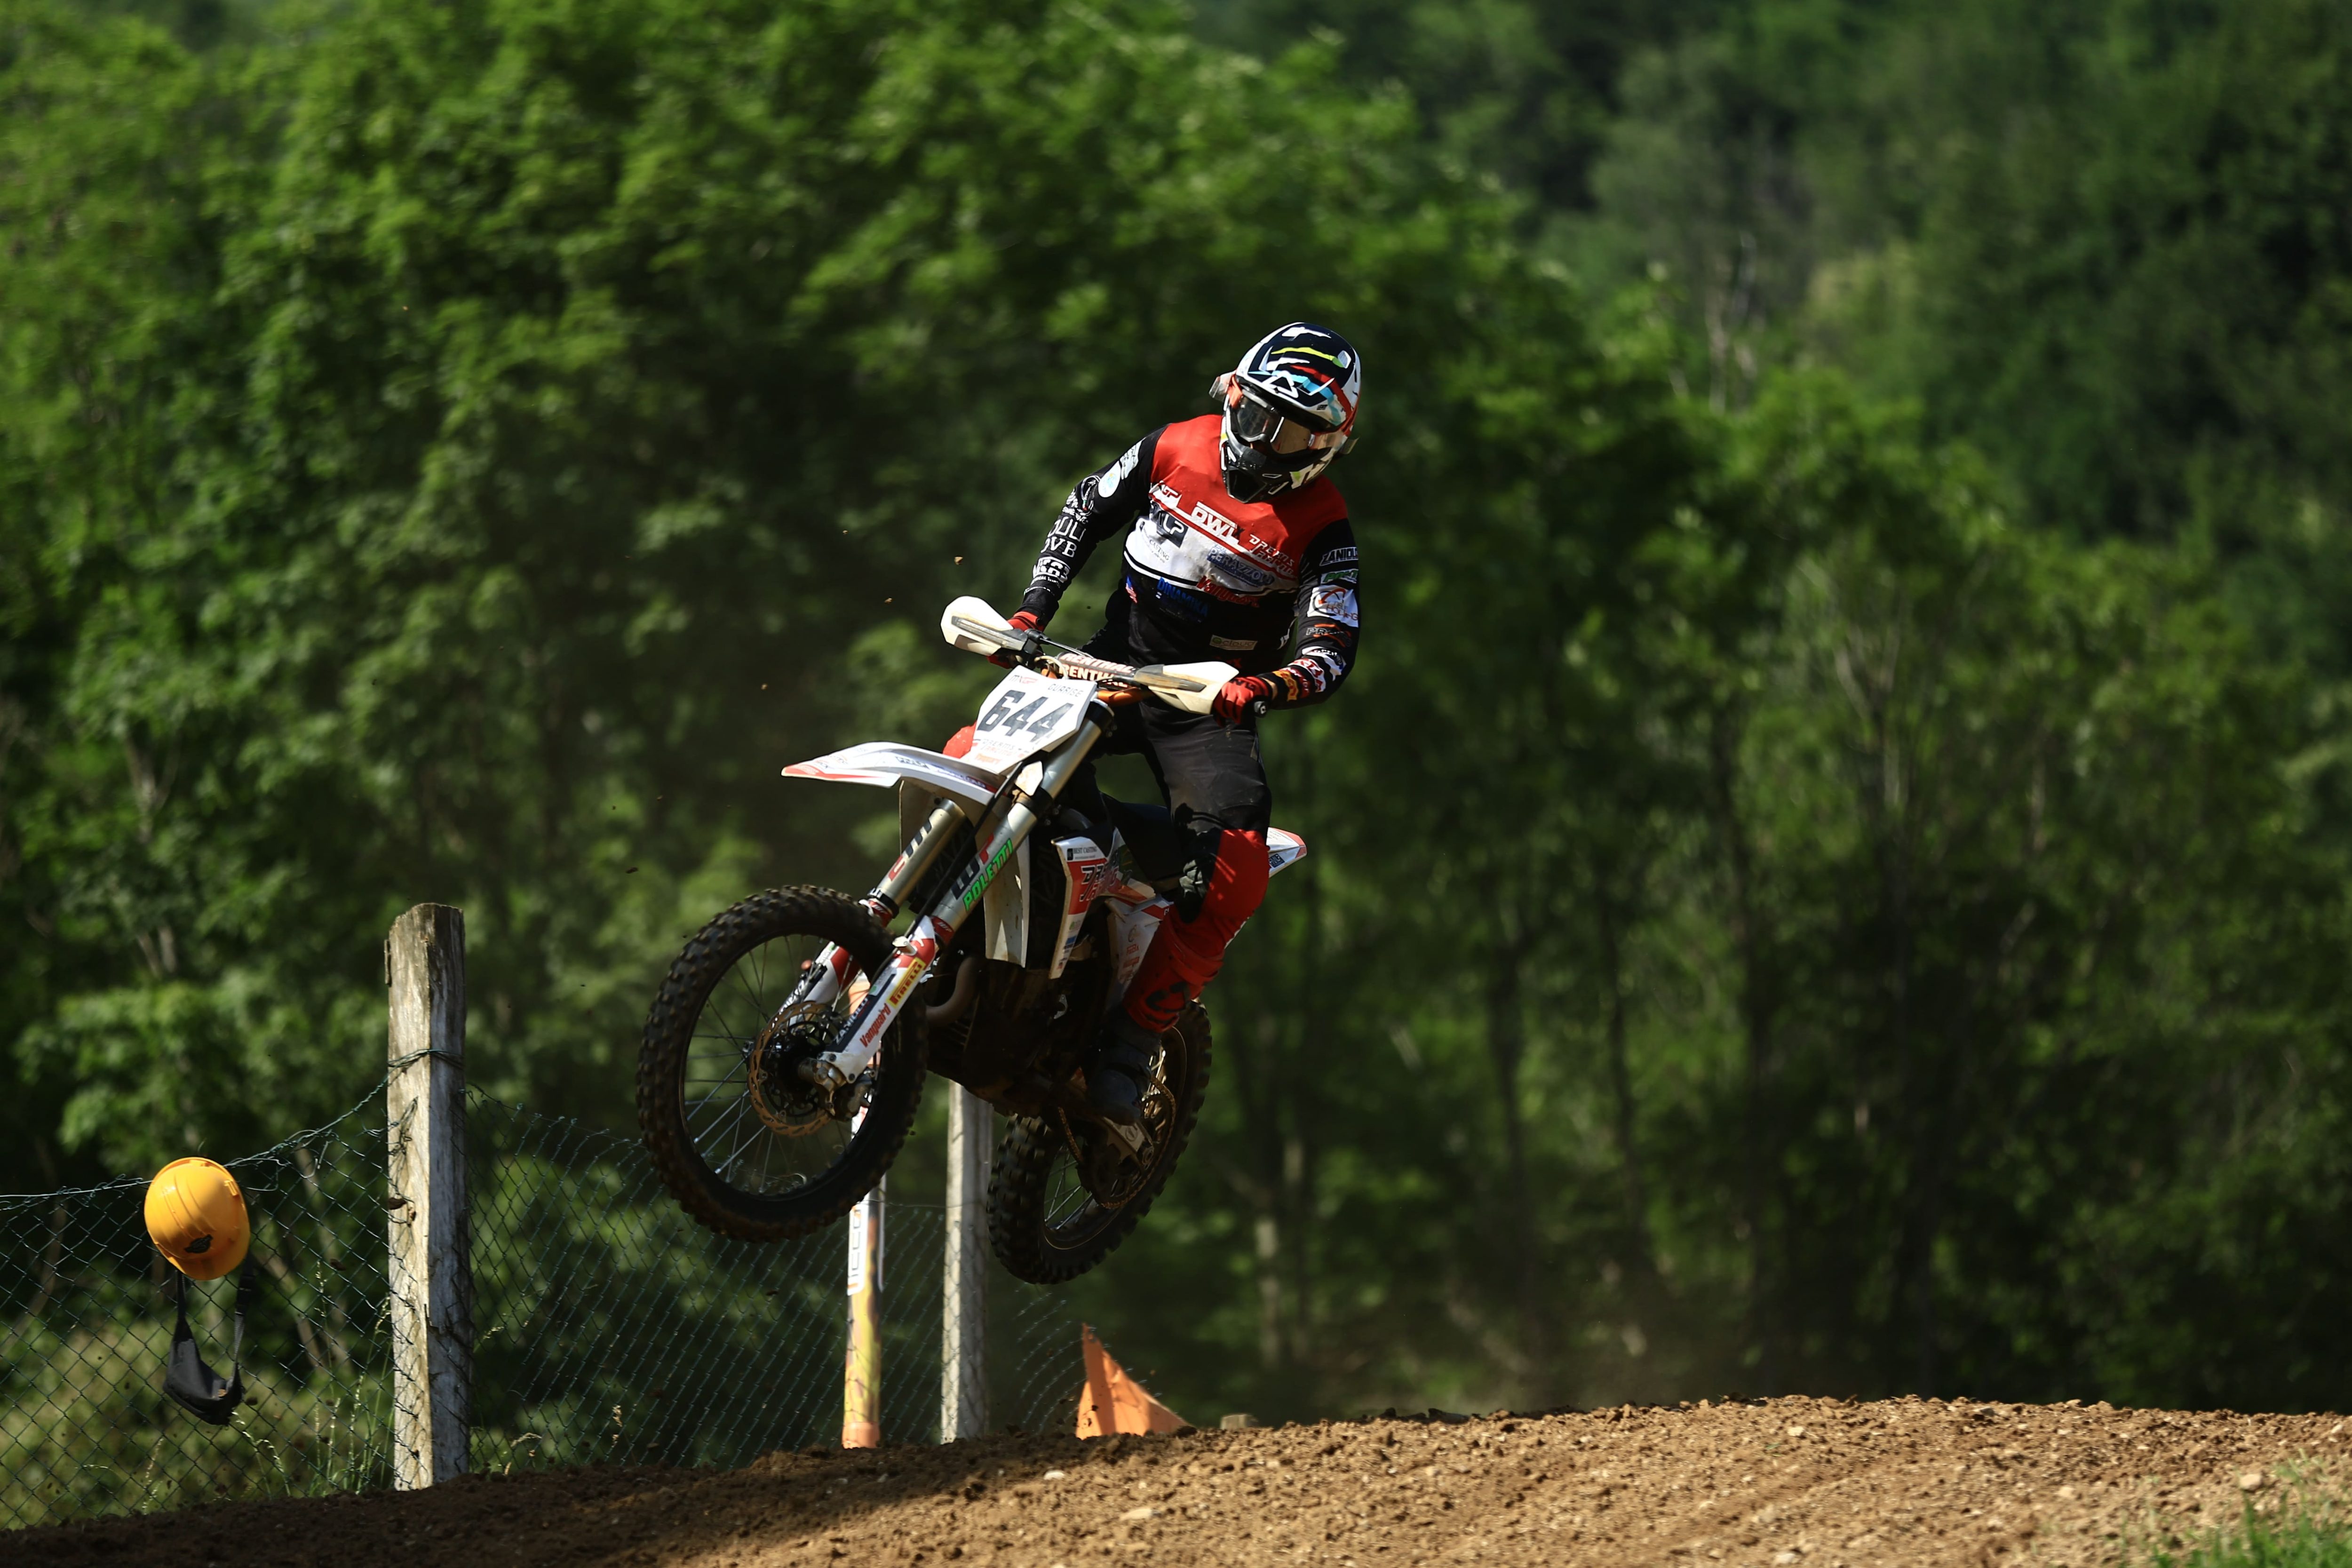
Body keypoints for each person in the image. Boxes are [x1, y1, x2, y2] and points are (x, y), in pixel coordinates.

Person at [1001, 321, 1363, 1125]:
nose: (1263, 442)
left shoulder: (1324, 526)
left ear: (1327, 445)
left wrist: (1266, 686)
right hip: (1111, 661)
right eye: (1257, 413)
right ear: (1232, 392)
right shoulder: (1173, 444)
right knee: (981, 755)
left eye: (1289, 432)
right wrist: (1034, 609)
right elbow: (1086, 509)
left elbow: (1332, 647)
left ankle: (1130, 1045)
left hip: (1208, 702)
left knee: (1236, 868)